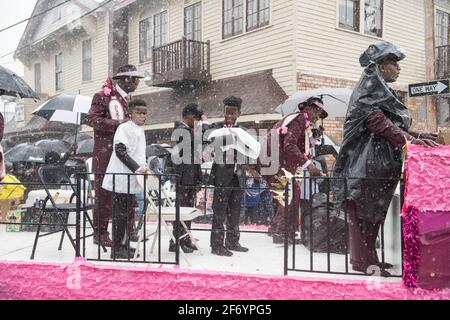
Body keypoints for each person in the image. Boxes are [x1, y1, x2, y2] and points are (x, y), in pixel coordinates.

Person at [332, 41, 439, 276]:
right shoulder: (368, 91)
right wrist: (410, 140)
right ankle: (364, 262)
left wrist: (417, 135)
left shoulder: (375, 90)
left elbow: (393, 125)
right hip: (363, 168)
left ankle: (370, 259)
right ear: (381, 66)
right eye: (394, 64)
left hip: (373, 167)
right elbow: (378, 122)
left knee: (371, 219)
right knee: (364, 218)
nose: (398, 69)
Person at [85, 64, 143, 247]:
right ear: (124, 79)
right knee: (104, 196)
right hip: (106, 153)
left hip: (126, 156)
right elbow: (92, 119)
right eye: (134, 79)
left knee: (129, 193)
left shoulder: (129, 100)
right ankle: (100, 233)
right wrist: (118, 124)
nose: (137, 82)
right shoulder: (103, 96)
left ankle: (129, 230)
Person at [264, 97, 327, 244]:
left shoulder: (303, 123)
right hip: (281, 162)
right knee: (290, 196)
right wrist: (309, 165)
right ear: (312, 109)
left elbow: (302, 143)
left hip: (281, 162)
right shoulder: (299, 119)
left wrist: (316, 134)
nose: (318, 117)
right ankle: (282, 234)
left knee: (289, 195)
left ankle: (280, 230)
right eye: (319, 113)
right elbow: (290, 145)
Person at [102, 99, 151, 259]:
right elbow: (120, 150)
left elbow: (138, 153)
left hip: (131, 178)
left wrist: (143, 167)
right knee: (119, 215)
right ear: (130, 113)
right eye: (139, 112)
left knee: (127, 214)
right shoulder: (124, 128)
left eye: (144, 112)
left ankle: (123, 245)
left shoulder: (139, 130)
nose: (143, 116)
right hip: (121, 177)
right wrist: (136, 168)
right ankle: (116, 249)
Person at [209, 96, 249, 256]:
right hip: (221, 176)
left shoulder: (244, 131)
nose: (229, 116)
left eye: (233, 113)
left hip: (238, 176)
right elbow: (206, 136)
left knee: (235, 211)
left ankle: (233, 241)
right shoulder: (217, 128)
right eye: (227, 113)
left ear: (239, 113)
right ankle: (217, 245)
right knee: (219, 211)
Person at [170, 103, 209, 253]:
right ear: (188, 117)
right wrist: (205, 123)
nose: (198, 122)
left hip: (191, 176)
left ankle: (184, 239)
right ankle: (176, 241)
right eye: (196, 119)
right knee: (182, 211)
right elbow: (201, 136)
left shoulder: (190, 131)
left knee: (189, 211)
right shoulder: (180, 129)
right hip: (184, 177)